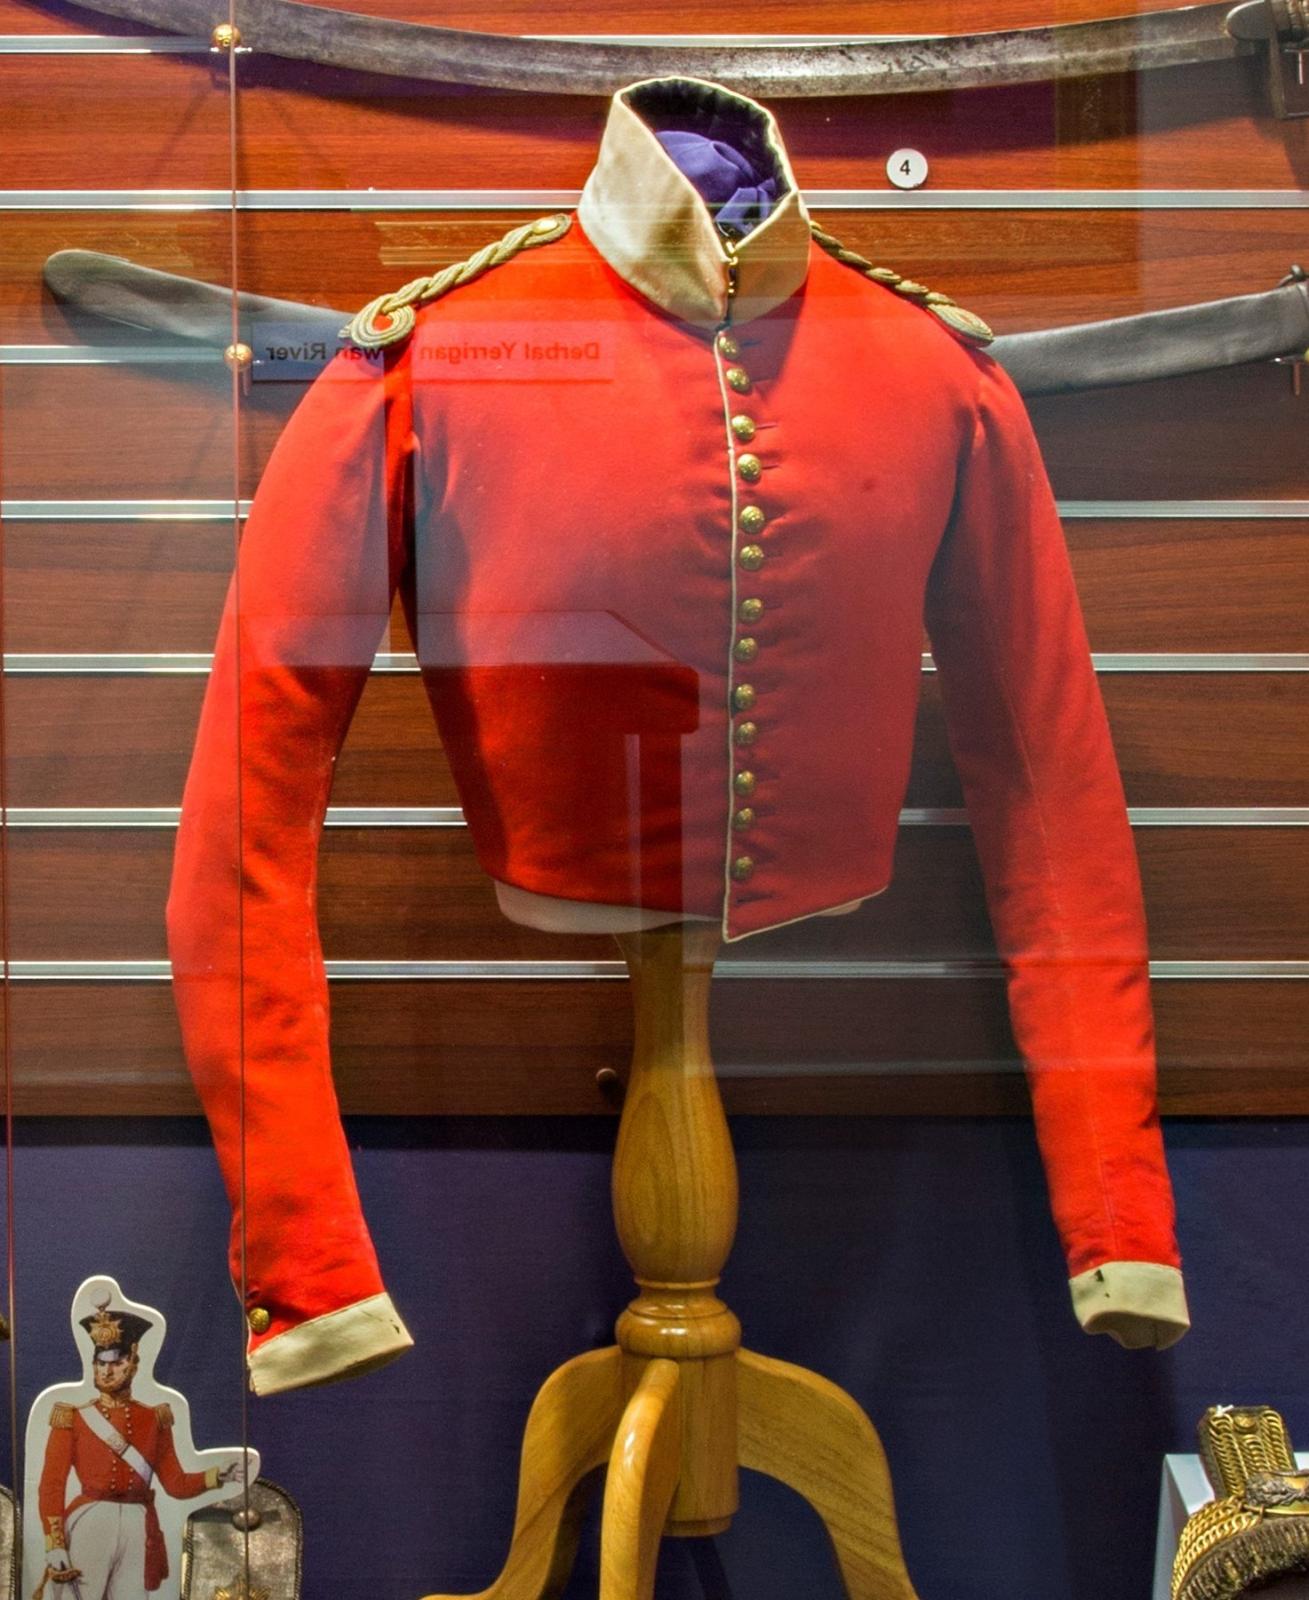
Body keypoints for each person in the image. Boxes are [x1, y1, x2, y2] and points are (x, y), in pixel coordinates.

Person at [37, 1304, 241, 1600]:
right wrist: (54, 1544)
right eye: (100, 1363)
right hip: (90, 1520)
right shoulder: (72, 1418)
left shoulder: (155, 1418)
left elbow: (175, 1483)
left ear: (132, 1362)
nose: (106, 1371)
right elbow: (52, 1485)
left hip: (139, 1524)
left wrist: (217, 1475)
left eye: (116, 1363)